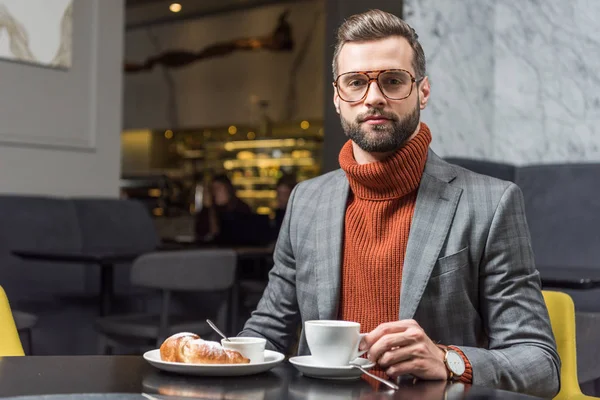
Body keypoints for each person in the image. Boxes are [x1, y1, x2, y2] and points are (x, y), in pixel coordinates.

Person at [238, 9, 560, 398]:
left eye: (392, 81)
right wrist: (209, 357)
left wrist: (447, 360)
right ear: (338, 97)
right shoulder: (306, 201)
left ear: (422, 91)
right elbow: (267, 332)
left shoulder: (491, 203)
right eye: (355, 82)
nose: (373, 97)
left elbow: (540, 363)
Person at [194, 174, 251, 242]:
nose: (214, 192)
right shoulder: (211, 208)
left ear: (228, 189)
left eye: (218, 188)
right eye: (212, 189)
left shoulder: (241, 208)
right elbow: (200, 233)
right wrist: (206, 208)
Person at [272, 174, 297, 239]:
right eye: (279, 194)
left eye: (284, 194)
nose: (280, 198)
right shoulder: (279, 212)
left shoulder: (294, 213)